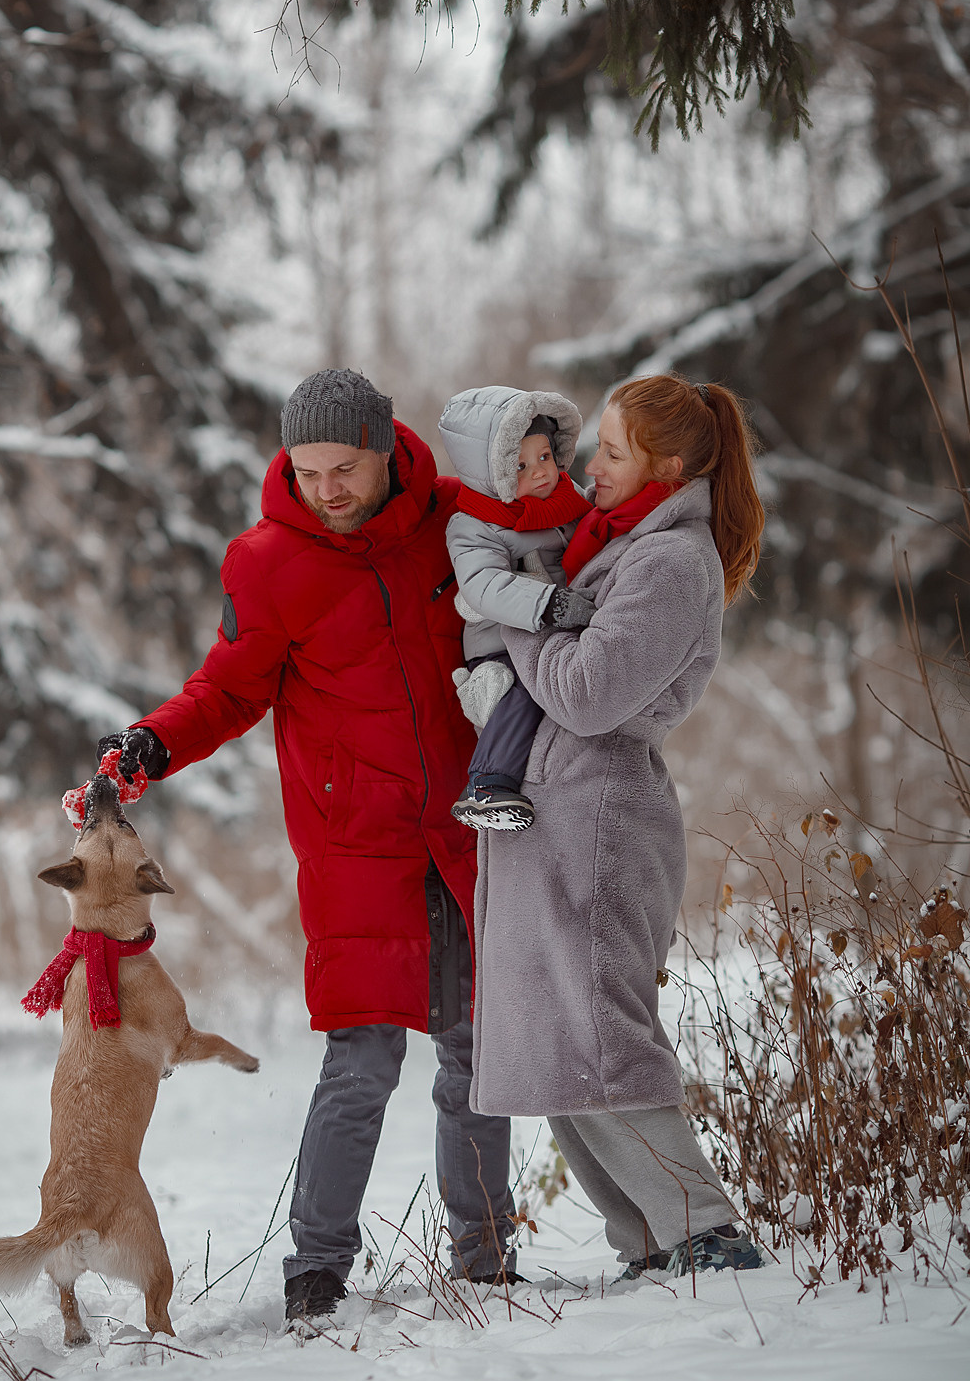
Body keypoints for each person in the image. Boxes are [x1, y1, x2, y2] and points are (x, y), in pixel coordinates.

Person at [98, 369, 518, 1325]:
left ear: (384, 447)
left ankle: (486, 1259)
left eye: (343, 467)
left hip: (469, 829)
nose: (326, 488)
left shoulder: (452, 522)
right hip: (355, 844)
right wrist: (154, 741)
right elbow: (229, 687)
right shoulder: (267, 561)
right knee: (363, 1061)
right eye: (306, 468)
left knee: (476, 1049)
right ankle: (318, 1266)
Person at [470, 374, 766, 1279]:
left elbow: (590, 693)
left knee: (599, 1030)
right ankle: (648, 1239)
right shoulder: (616, 547)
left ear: (668, 467)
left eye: (612, 451)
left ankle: (705, 1229)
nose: (589, 465)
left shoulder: (671, 563)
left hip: (599, 818)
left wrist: (509, 610)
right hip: (550, 812)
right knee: (558, 1042)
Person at [438, 385, 596, 832]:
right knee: (527, 690)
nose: (540, 472)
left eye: (544, 456)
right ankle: (487, 783)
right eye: (521, 466)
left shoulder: (570, 501)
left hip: (557, 626)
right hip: (501, 642)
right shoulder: (472, 524)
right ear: (493, 474)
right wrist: (549, 604)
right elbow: (483, 584)